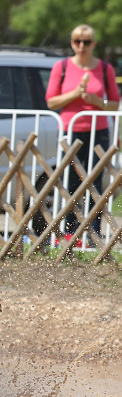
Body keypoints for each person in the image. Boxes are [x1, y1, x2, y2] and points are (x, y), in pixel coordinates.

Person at [46, 24, 120, 237]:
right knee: (70, 182)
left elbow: (114, 103)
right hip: (72, 130)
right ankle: (70, 233)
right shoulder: (62, 67)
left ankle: (93, 234)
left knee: (95, 184)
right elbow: (51, 101)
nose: (81, 45)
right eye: (77, 41)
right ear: (71, 43)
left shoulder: (105, 69)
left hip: (99, 132)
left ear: (93, 44)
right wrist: (76, 94)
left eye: (86, 41)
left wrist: (98, 101)